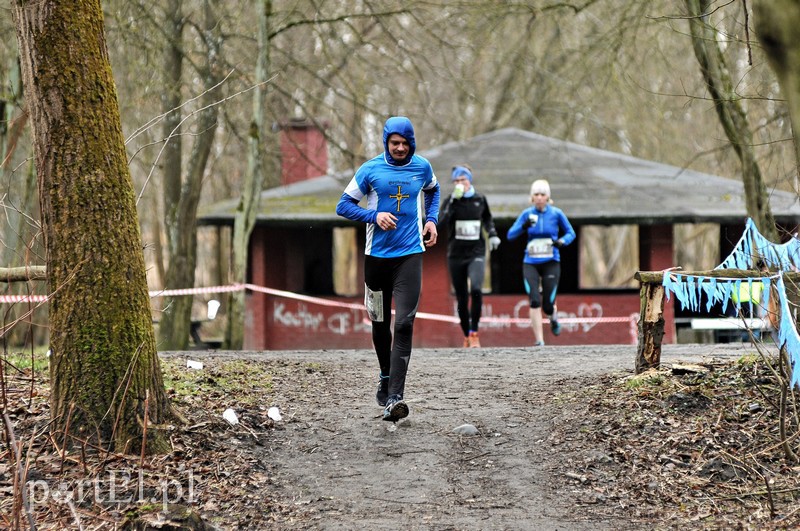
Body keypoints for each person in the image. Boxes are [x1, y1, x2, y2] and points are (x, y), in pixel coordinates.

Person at [335, 116, 440, 422]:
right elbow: (343, 204)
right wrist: (373, 216)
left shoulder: (422, 167)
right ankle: (384, 374)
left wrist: (431, 220)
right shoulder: (370, 170)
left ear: (412, 144)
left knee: (404, 324)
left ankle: (395, 396)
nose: (399, 148)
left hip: (410, 256)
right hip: (376, 259)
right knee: (379, 323)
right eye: (394, 143)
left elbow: (434, 191)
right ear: (386, 142)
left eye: (405, 143)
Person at [507, 179, 575, 346]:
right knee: (534, 300)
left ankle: (553, 317)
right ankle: (539, 340)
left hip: (551, 261)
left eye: (542, 194)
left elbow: (571, 233)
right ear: (532, 197)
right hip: (530, 262)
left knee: (548, 305)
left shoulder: (556, 213)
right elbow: (510, 235)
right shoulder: (527, 214)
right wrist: (523, 226)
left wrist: (562, 241)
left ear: (547, 197)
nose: (539, 197)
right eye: (536, 194)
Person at [439, 164, 501, 348]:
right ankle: (466, 334)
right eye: (456, 181)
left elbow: (488, 219)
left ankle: (474, 332)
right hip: (456, 255)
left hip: (476, 253)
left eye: (463, 180)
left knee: (476, 288)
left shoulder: (480, 199)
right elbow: (440, 222)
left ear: (469, 180)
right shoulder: (451, 200)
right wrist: (452, 203)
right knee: (461, 296)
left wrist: (493, 234)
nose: (460, 184)